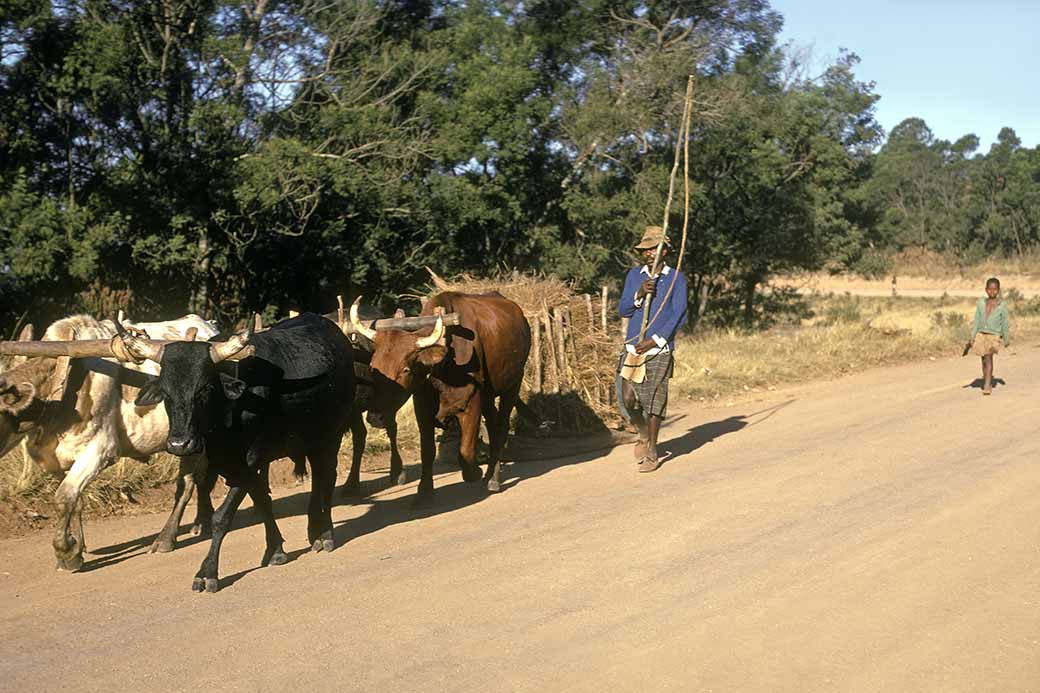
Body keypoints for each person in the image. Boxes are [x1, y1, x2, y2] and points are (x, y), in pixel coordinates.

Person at [617, 225, 688, 472]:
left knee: (653, 402)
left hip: (659, 348)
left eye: (654, 248)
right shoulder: (635, 276)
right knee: (627, 399)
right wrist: (639, 293)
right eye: (645, 249)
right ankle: (643, 432)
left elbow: (680, 315)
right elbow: (624, 309)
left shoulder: (676, 278)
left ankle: (653, 451)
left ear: (665, 250)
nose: (649, 253)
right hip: (634, 345)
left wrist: (656, 339)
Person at [969, 277, 1010, 395]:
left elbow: (1005, 322)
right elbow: (976, 320)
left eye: (995, 289)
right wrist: (972, 336)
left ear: (998, 290)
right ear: (986, 290)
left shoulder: (1002, 305)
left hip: (994, 335)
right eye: (990, 289)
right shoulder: (981, 303)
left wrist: (1006, 338)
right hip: (981, 334)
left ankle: (987, 384)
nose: (992, 292)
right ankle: (987, 377)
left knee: (988, 357)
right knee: (983, 359)